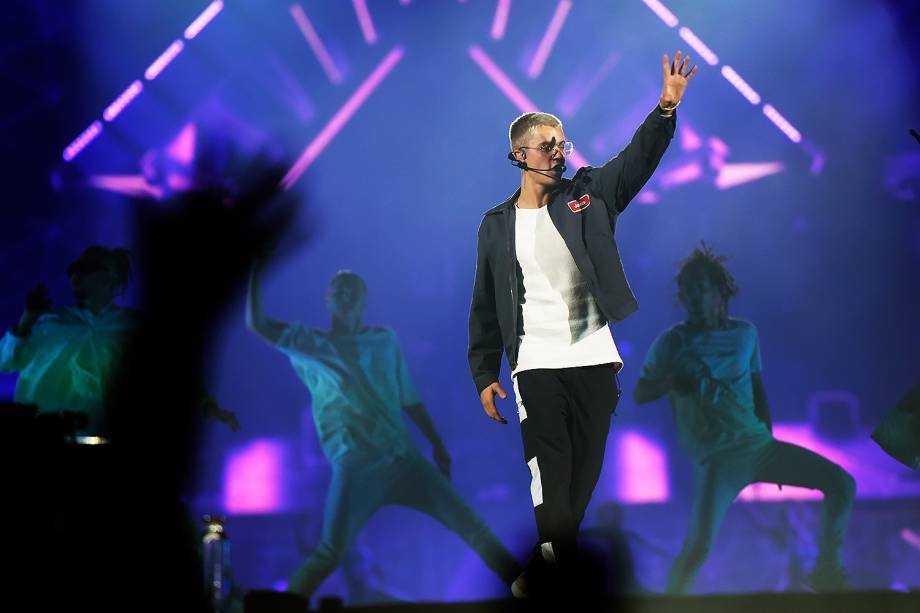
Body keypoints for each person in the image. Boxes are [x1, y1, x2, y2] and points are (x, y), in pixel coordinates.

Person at [467, 50, 696, 597]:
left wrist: (664, 109)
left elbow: (636, 160)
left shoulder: (589, 197)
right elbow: (482, 305)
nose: (557, 152)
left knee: (582, 477)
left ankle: (541, 571)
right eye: (546, 145)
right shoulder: (496, 226)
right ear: (518, 155)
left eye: (561, 143)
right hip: (536, 363)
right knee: (549, 466)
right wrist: (484, 373)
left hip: (595, 357)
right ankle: (560, 579)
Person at [247, 263, 520, 602]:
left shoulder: (383, 340)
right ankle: (287, 606)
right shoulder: (310, 343)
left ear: (364, 302)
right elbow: (257, 324)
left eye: (353, 291)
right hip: (356, 466)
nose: (346, 295)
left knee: (472, 528)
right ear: (327, 300)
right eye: (340, 290)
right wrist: (255, 269)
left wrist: (437, 444)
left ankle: (529, 589)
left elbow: (408, 397)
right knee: (329, 552)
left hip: (402, 459)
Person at [634, 243, 856, 593]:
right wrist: (670, 382)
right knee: (698, 547)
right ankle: (671, 604)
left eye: (700, 289)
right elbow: (640, 392)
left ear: (719, 291)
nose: (692, 297)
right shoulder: (671, 343)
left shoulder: (745, 334)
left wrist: (768, 440)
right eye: (686, 291)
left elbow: (756, 386)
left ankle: (827, 569)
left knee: (843, 484)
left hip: (759, 448)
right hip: (718, 461)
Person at [0, 246, 239, 437]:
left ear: (109, 279)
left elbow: (175, 374)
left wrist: (210, 408)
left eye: (87, 269)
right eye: (75, 270)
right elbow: (6, 362)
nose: (76, 275)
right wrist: (26, 321)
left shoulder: (133, 327)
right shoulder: (48, 322)